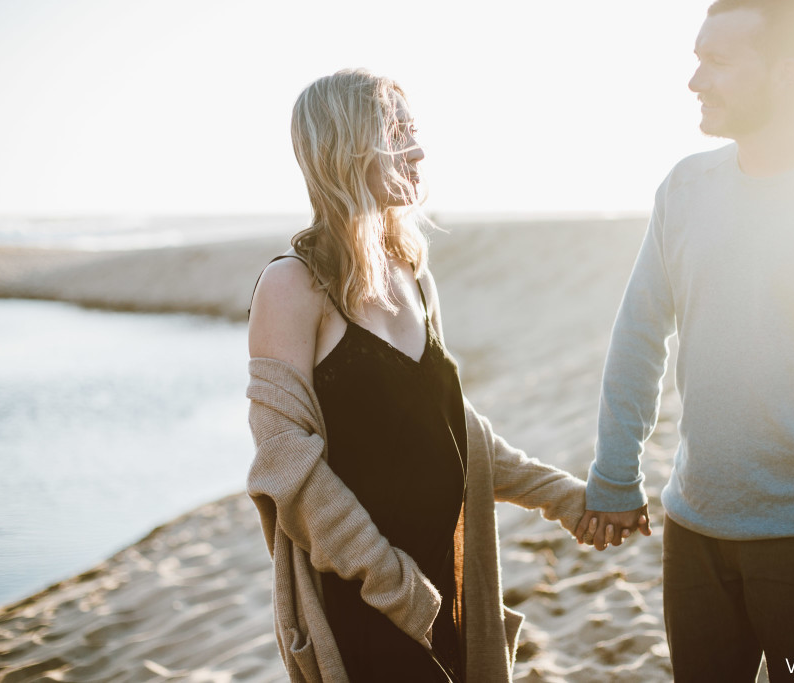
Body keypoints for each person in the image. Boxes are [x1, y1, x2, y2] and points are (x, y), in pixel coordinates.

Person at [574, 1, 794, 680]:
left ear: (784, 73)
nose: (694, 80)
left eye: (717, 61)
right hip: (693, 538)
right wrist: (616, 469)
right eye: (696, 58)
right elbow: (640, 332)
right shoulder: (684, 189)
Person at [246, 69, 587, 683]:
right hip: (365, 601)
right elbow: (286, 466)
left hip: (445, 582)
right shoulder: (293, 285)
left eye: (414, 129)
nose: (419, 149)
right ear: (346, 149)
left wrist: (566, 498)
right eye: (397, 132)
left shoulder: (413, 272)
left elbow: (458, 433)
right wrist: (392, 583)